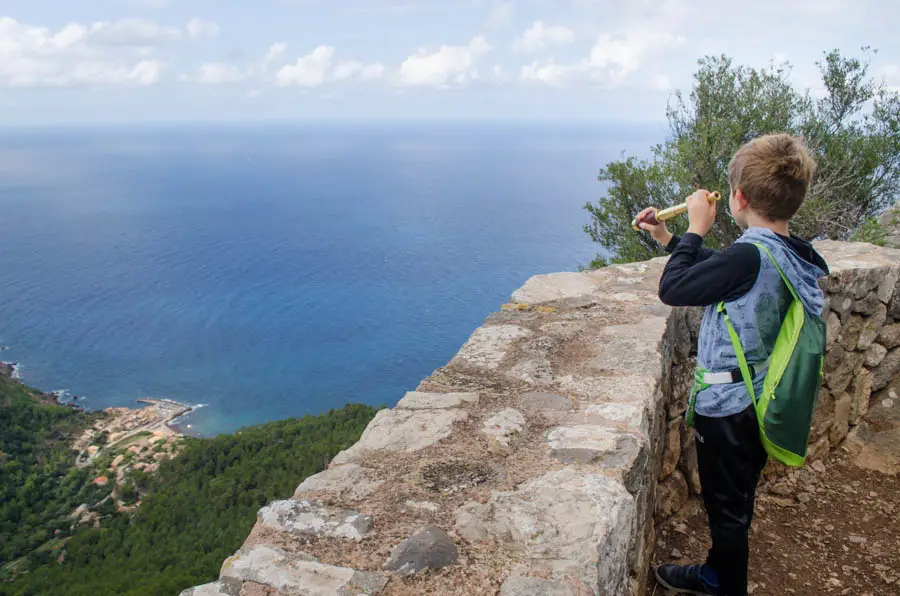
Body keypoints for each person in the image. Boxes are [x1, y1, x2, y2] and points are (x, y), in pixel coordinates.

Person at [638, 133, 830, 596]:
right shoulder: (789, 251)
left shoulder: (750, 254)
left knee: (726, 510)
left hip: (726, 407)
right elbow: (722, 272)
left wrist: (695, 228)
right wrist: (668, 237)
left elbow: (675, 288)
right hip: (760, 398)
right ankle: (717, 571)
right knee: (737, 500)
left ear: (738, 197)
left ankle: (723, 584)